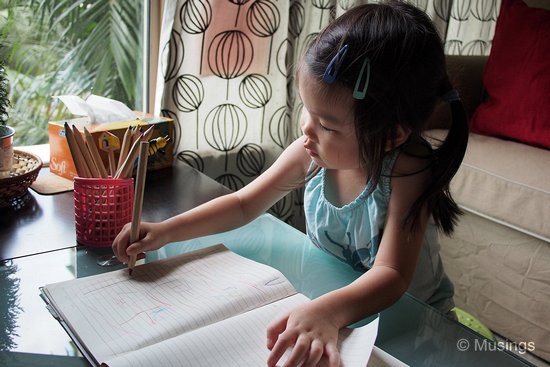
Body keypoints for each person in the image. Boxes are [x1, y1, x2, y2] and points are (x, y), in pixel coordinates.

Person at [112, 1, 468, 365]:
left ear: (391, 135)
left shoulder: (408, 171)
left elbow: (391, 275)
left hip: (412, 325)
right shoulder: (312, 151)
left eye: (327, 124)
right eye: (306, 109)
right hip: (341, 306)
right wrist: (166, 230)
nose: (307, 129)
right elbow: (243, 204)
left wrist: (328, 311)